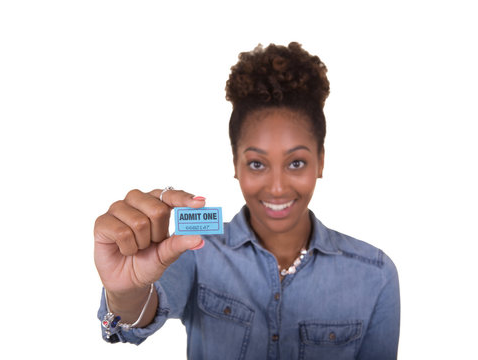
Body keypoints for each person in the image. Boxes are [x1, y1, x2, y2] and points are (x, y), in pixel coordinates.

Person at [94, 42, 400, 359]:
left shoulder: (375, 274)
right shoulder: (197, 249)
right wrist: (124, 291)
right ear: (236, 165)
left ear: (320, 162)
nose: (278, 188)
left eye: (296, 163)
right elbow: (136, 315)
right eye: (257, 164)